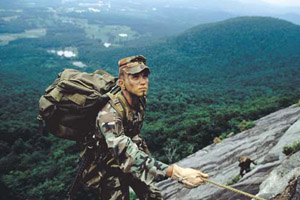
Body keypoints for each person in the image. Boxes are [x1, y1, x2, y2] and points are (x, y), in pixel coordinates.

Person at [80, 55, 209, 200]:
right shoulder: (108, 114)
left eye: (145, 76)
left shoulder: (139, 100)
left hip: (132, 160)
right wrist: (178, 173)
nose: (143, 82)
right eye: (135, 77)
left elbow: (132, 142)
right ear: (122, 83)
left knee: (153, 196)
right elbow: (126, 153)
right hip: (107, 168)